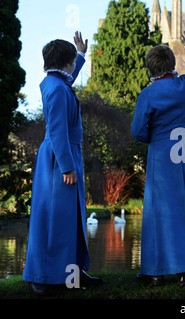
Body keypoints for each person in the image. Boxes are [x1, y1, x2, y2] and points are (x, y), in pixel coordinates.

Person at [131, 31, 185, 287]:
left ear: (151, 67)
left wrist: (156, 138)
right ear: (173, 65)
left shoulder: (147, 94)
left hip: (161, 156)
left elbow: (137, 130)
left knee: (159, 212)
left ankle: (156, 272)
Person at [23, 32, 103, 295]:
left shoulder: (54, 82)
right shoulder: (57, 89)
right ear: (65, 64)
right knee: (56, 218)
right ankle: (44, 277)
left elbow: (67, 79)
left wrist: (80, 54)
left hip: (61, 155)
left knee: (71, 217)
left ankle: (73, 273)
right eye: (73, 62)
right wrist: (67, 167)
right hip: (60, 159)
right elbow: (57, 130)